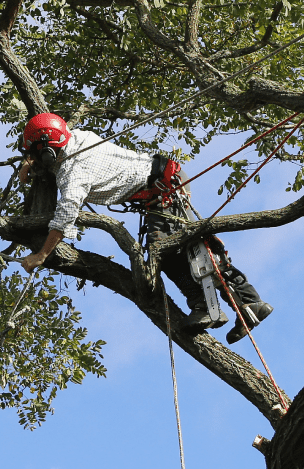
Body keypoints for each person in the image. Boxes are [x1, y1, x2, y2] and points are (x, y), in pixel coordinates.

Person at [14, 112, 273, 341]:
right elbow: (53, 149)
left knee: (185, 252)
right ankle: (209, 306)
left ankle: (245, 303)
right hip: (158, 188)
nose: (34, 157)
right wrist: (32, 162)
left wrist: (42, 255)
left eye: (36, 152)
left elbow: (65, 215)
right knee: (174, 255)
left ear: (49, 150)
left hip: (163, 186)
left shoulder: (74, 173)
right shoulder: (76, 139)